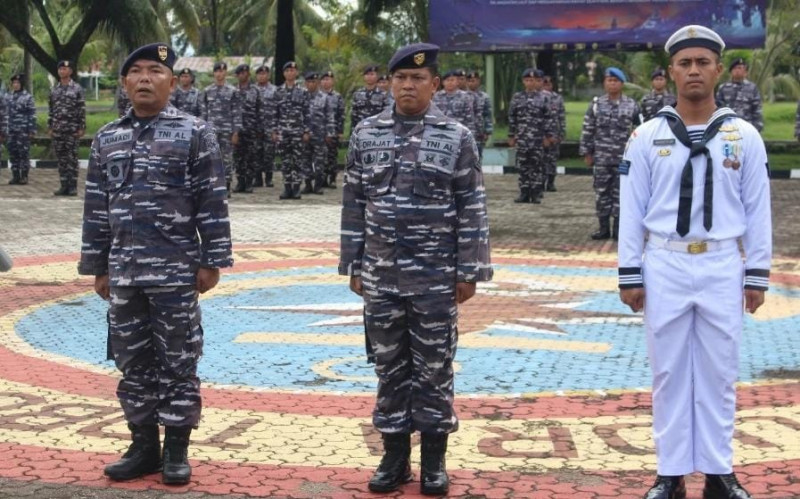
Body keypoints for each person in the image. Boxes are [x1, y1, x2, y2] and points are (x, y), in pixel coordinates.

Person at [618, 25, 771, 499]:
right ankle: (671, 473)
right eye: (685, 63)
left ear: (718, 69)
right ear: (671, 72)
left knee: (719, 371)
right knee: (667, 372)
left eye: (703, 62)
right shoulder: (647, 136)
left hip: (722, 262)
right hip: (665, 261)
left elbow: (758, 209)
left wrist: (757, 273)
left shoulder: (743, 135)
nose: (694, 71)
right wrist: (630, 272)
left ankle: (719, 472)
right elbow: (632, 206)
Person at [339, 42, 492, 496]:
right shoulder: (366, 134)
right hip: (382, 276)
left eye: (418, 78)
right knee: (388, 367)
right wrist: (353, 263)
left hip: (435, 277)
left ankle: (434, 462)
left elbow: (471, 205)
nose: (409, 85)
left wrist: (470, 269)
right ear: (390, 83)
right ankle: (394, 458)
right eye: (401, 78)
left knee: (434, 368)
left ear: (434, 84)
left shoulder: (456, 136)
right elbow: (354, 203)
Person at [78, 43, 233, 486]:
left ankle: (177, 451)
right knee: (132, 362)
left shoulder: (194, 132)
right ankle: (144, 445)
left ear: (172, 80)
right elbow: (96, 208)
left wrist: (213, 259)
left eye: (155, 71)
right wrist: (98, 266)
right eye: (136, 72)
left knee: (179, 361)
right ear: (124, 83)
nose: (145, 78)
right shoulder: (108, 138)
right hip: (125, 273)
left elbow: (211, 200)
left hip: (176, 273)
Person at [579, 67, 640, 239]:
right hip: (602, 158)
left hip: (624, 159)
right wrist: (587, 152)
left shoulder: (632, 105)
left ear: (622, 84)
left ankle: (619, 230)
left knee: (622, 193)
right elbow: (588, 129)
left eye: (615, 81)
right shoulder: (597, 105)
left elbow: (640, 131)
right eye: (609, 80)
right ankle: (603, 228)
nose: (612, 84)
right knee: (602, 193)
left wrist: (638, 155)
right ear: (604, 83)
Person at [507, 68, 556, 204]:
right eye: (528, 80)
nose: (531, 83)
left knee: (537, 166)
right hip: (522, 138)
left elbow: (549, 118)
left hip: (538, 138)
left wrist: (548, 136)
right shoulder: (517, 97)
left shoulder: (545, 97)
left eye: (533, 80)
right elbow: (512, 117)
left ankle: (535, 193)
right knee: (523, 166)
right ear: (523, 82)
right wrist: (511, 135)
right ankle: (524, 192)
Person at [201, 61, 241, 194]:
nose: (219, 74)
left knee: (227, 158)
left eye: (222, 71)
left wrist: (236, 132)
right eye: (217, 71)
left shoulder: (232, 91)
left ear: (226, 73)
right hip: (211, 131)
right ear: (214, 73)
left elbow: (236, 112)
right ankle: (214, 185)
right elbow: (204, 112)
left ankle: (227, 186)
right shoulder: (207, 91)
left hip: (227, 131)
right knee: (211, 158)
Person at [273, 61, 310, 200]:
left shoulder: (303, 92)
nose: (290, 73)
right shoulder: (278, 91)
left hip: (297, 131)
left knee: (298, 160)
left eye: (292, 71)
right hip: (283, 131)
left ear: (296, 73)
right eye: (287, 71)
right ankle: (287, 187)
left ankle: (296, 188)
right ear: (284, 74)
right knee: (285, 160)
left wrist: (306, 131)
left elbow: (307, 113)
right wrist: (274, 130)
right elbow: (274, 113)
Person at [48, 60, 86, 196]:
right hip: (58, 129)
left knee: (72, 158)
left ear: (70, 71)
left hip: (72, 129)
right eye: (60, 69)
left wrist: (81, 127)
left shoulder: (77, 89)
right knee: (61, 159)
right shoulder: (54, 90)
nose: (62, 71)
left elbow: (81, 109)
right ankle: (63, 185)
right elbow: (51, 110)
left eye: (65, 69)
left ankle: (73, 186)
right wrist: (50, 126)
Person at [232, 63, 261, 194]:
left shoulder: (255, 91)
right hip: (237, 130)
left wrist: (260, 129)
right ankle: (240, 182)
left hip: (251, 128)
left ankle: (249, 182)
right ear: (237, 76)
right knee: (238, 157)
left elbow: (260, 111)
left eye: (246, 73)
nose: (244, 75)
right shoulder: (233, 91)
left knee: (250, 157)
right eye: (241, 73)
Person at [715, 58, 763, 132]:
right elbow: (718, 108)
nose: (737, 70)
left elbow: (757, 109)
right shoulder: (723, 88)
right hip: (727, 127)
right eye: (735, 68)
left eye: (740, 68)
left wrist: (757, 127)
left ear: (746, 72)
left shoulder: (752, 88)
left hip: (748, 127)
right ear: (731, 72)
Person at [301, 71, 329, 194]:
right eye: (309, 82)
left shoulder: (324, 97)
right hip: (304, 135)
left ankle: (318, 185)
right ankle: (307, 184)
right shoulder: (301, 96)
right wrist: (303, 132)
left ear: (317, 83)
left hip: (319, 134)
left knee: (319, 161)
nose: (311, 84)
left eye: (313, 82)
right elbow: (298, 116)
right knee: (305, 160)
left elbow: (329, 116)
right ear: (305, 83)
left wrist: (330, 133)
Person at [6, 74, 36, 186]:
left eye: (18, 83)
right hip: (11, 130)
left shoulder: (27, 97)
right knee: (13, 153)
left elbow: (32, 114)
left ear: (22, 84)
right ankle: (15, 176)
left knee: (23, 153)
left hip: (23, 130)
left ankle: (24, 176)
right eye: (14, 83)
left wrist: (31, 130)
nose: (15, 85)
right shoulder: (8, 97)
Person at [433, 70, 477, 137]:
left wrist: (471, 134)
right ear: (443, 82)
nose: (450, 82)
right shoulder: (436, 96)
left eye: (452, 80)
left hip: (459, 133)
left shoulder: (465, 97)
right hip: (440, 133)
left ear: (457, 82)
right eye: (447, 80)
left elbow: (469, 118)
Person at [254, 65, 278, 187]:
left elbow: (278, 110)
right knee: (256, 152)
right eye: (259, 74)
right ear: (256, 76)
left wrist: (276, 129)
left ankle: (269, 178)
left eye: (264, 74)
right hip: (256, 127)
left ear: (268, 75)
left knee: (269, 154)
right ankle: (257, 178)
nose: (262, 76)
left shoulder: (275, 90)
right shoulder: (252, 90)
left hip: (270, 127)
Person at [320, 70, 344, 188]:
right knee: (321, 155)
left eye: (328, 79)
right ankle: (322, 178)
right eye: (324, 79)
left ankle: (332, 178)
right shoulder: (317, 96)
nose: (326, 82)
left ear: (332, 81)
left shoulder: (337, 96)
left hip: (333, 130)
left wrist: (340, 131)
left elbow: (341, 114)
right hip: (319, 131)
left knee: (332, 155)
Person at [542, 75, 565, 192]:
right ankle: (540, 182)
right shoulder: (538, 98)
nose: (547, 86)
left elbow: (561, 117)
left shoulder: (558, 98)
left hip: (554, 134)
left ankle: (550, 182)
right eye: (544, 83)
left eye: (549, 84)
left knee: (552, 159)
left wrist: (561, 133)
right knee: (540, 159)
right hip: (540, 135)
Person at [350, 64, 387, 132]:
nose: (369, 77)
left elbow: (385, 115)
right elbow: (354, 115)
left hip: (377, 131)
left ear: (377, 76)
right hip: (360, 130)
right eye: (367, 74)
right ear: (364, 77)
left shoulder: (383, 95)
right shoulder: (357, 94)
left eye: (372, 74)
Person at [466, 70, 494, 161]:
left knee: (477, 157)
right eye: (469, 81)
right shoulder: (462, 96)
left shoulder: (484, 96)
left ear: (478, 81)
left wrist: (487, 131)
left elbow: (487, 114)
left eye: (474, 80)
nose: (471, 83)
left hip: (479, 132)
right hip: (465, 131)